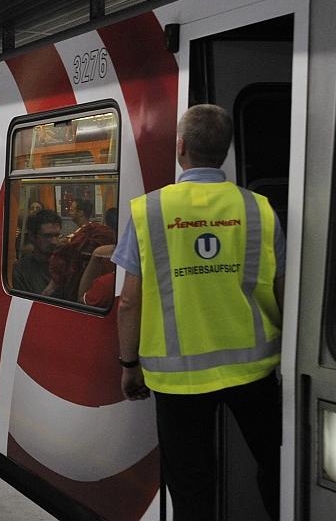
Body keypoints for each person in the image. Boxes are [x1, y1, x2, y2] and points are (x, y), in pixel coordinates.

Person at [113, 104, 285, 521]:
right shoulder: (259, 209)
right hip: (255, 371)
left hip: (179, 379)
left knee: (191, 485)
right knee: (277, 467)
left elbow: (129, 301)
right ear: (225, 151)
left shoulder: (148, 211)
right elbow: (282, 289)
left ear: (180, 147)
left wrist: (129, 365)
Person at [11, 208, 61, 294]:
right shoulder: (21, 270)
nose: (54, 242)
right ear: (32, 236)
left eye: (56, 236)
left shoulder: (64, 266)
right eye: (47, 236)